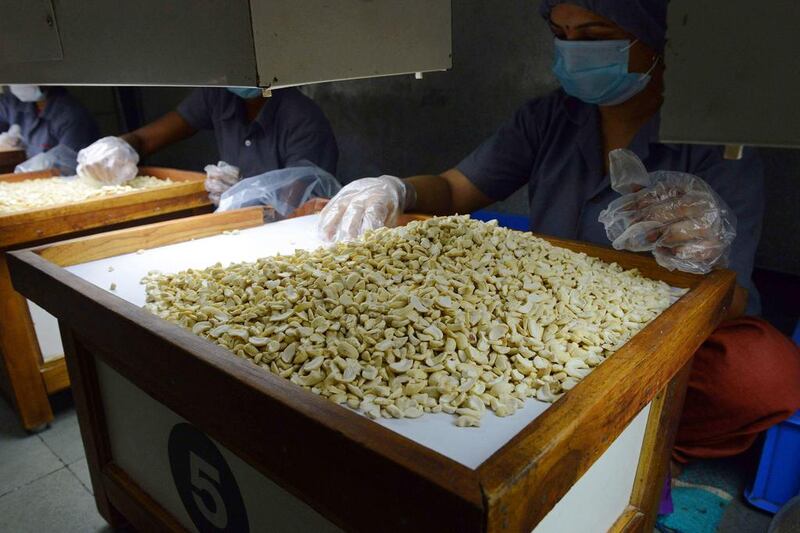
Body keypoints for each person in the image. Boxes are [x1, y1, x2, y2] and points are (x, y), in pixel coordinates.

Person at [318, 0, 800, 464]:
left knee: (760, 373)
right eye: (560, 35)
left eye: (594, 36)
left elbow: (730, 298)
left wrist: (702, 252)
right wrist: (395, 188)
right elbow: (452, 189)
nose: (573, 51)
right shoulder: (550, 118)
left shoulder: (719, 143)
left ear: (658, 41)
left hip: (652, 328)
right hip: (541, 310)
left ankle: (655, 448)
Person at [77, 87, 338, 199]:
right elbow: (146, 139)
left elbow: (302, 203)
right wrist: (119, 148)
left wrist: (244, 194)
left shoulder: (303, 118)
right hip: (233, 227)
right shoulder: (219, 96)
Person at [0, 85, 99, 156]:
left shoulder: (70, 115)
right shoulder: (13, 102)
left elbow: (69, 164)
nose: (19, 84)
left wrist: (29, 168)